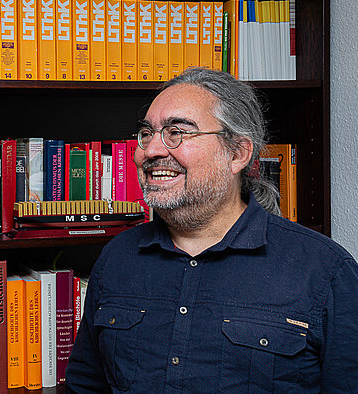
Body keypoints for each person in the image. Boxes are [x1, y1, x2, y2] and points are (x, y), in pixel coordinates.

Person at [65, 68, 358, 392]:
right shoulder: (117, 258)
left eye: (177, 132)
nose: (150, 151)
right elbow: (86, 385)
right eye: (147, 133)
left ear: (237, 153)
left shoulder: (326, 272)